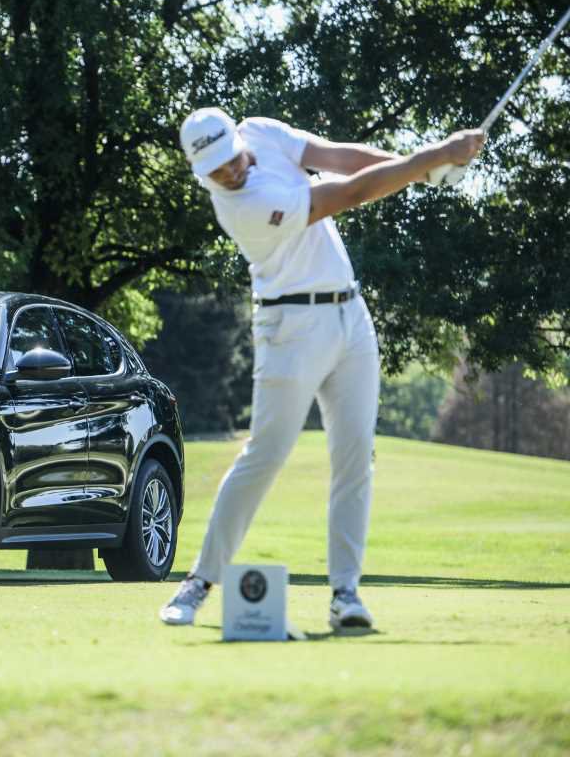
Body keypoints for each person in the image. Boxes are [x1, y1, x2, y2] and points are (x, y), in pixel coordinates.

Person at [160, 108, 485, 629]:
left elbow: (342, 159)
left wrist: (425, 170)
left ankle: (345, 595)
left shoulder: (262, 131)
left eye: (229, 160)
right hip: (289, 329)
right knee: (265, 455)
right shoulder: (241, 208)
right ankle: (199, 582)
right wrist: (433, 157)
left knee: (356, 457)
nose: (228, 173)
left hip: (351, 317)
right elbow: (350, 193)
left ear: (237, 139)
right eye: (214, 171)